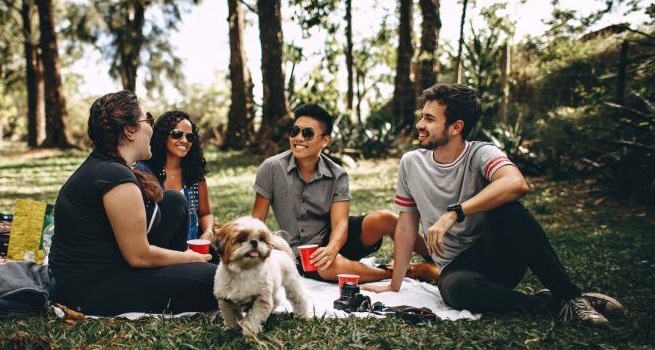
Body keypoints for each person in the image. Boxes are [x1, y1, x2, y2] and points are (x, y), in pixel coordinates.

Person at [364, 83, 624, 327]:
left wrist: (454, 213)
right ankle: (553, 303)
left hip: (496, 256)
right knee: (456, 290)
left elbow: (516, 183)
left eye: (430, 119)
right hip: (457, 270)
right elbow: (407, 226)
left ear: (456, 127)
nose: (420, 124)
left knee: (509, 209)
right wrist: (394, 285)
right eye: (423, 116)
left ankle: (571, 296)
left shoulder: (481, 153)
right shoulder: (411, 163)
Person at [49, 91, 217, 316]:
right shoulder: (114, 177)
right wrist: (189, 257)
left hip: (113, 267)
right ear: (130, 130)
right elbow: (139, 256)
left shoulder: (108, 166)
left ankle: (182, 272)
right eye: (147, 119)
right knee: (219, 280)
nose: (151, 127)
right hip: (91, 289)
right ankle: (186, 272)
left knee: (174, 201)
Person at [251, 103, 438, 283]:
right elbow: (257, 221)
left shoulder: (337, 175)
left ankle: (439, 260)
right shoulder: (271, 168)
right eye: (294, 131)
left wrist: (332, 248)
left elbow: (340, 223)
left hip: (335, 238)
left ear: (324, 140)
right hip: (300, 253)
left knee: (385, 218)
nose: (298, 138)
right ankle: (410, 272)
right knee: (328, 266)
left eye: (307, 133)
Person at [136, 111, 215, 241]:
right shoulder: (144, 172)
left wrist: (208, 232)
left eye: (190, 137)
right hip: (158, 250)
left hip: (192, 251)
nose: (184, 141)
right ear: (163, 136)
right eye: (177, 134)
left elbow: (205, 214)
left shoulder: (194, 173)